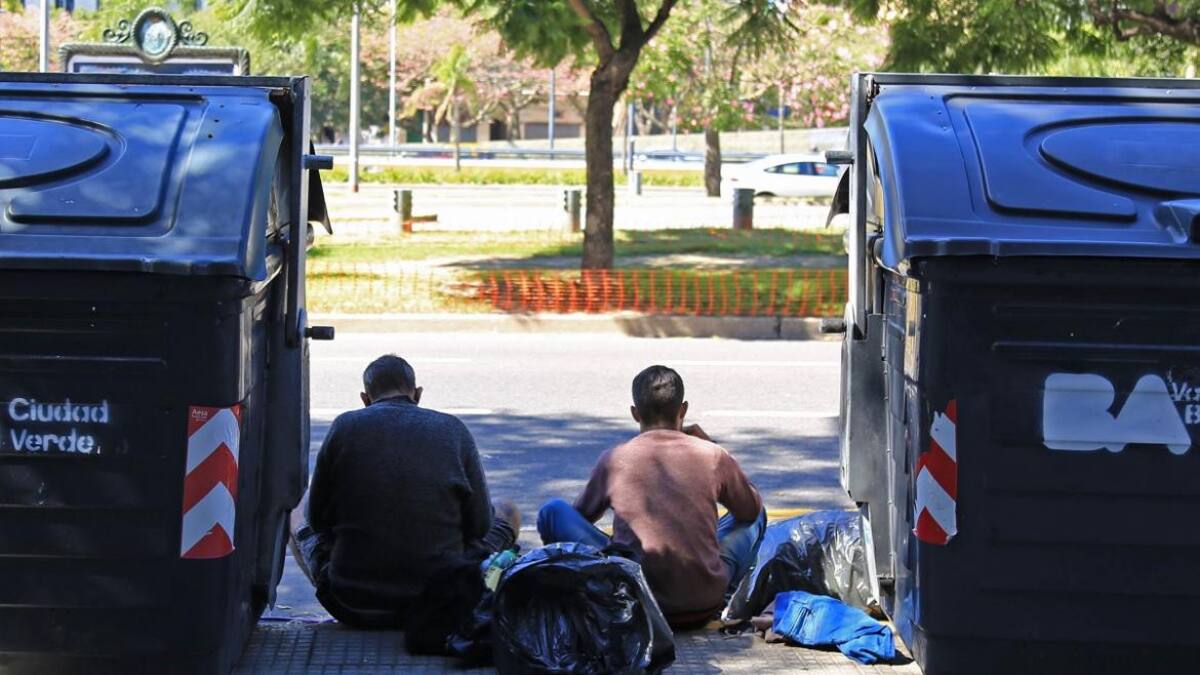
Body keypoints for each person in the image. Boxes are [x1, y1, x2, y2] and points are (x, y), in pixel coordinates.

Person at [291, 354, 520, 628]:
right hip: (443, 599)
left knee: (295, 510)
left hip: (352, 603)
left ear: (365, 399)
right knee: (507, 510)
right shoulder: (453, 429)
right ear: (418, 394)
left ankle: (336, 586)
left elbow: (316, 521)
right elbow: (480, 526)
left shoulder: (344, 426)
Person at [537, 365, 766, 626]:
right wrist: (712, 444)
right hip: (703, 602)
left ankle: (580, 596)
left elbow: (580, 516)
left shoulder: (615, 459)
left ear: (635, 413)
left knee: (552, 512)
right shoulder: (711, 455)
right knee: (757, 515)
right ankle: (727, 592)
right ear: (683, 410)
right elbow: (749, 510)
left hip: (635, 602)